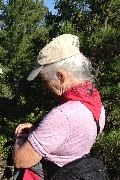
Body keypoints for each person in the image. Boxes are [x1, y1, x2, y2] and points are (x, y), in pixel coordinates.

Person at [12, 34, 106, 179]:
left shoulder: (63, 115)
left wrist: (21, 136)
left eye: (45, 80)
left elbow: (21, 160)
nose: (45, 86)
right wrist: (39, 132)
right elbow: (71, 139)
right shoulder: (96, 104)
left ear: (61, 76)